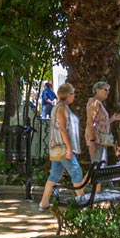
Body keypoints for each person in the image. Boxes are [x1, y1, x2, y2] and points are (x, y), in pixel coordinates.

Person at [37, 81, 86, 211]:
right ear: (68, 95)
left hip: (57, 148)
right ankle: (83, 203)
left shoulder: (58, 107)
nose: (74, 96)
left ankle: (44, 202)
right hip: (62, 147)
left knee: (55, 175)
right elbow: (63, 129)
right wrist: (70, 148)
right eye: (73, 94)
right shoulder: (62, 108)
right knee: (76, 171)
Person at [86, 80, 119, 168]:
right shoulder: (94, 103)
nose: (107, 92)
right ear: (97, 90)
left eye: (108, 90)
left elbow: (100, 123)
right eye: (105, 90)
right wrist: (92, 142)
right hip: (96, 141)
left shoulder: (99, 103)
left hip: (102, 141)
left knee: (100, 168)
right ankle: (82, 182)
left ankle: (84, 182)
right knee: (97, 168)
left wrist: (112, 119)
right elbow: (90, 123)